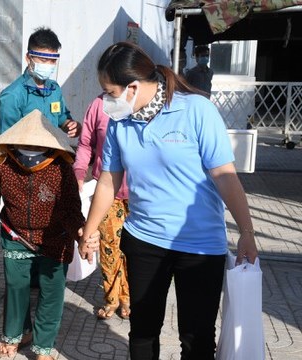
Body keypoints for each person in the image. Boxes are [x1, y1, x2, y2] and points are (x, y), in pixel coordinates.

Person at [79, 42, 258, 360]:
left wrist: (247, 231)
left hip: (201, 246)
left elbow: (225, 176)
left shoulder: (196, 110)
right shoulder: (121, 122)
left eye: (110, 92)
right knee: (143, 332)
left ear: (132, 87)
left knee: (197, 338)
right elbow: (108, 180)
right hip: (144, 241)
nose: (106, 100)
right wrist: (89, 230)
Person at [0, 109, 98, 360]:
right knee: (17, 287)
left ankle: (43, 347)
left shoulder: (61, 168)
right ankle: (18, 333)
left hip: (55, 239)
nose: (29, 150)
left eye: (36, 144)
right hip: (15, 235)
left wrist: (81, 232)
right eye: (24, 143)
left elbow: (72, 209)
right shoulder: (1, 166)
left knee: (52, 292)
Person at [73, 94, 131, 320]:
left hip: (140, 192)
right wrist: (79, 173)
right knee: (109, 248)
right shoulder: (97, 105)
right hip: (108, 191)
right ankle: (112, 298)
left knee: (133, 250)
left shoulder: (142, 104)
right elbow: (86, 144)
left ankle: (129, 296)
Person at [0, 27, 81, 137]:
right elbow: (5, 139)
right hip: (22, 153)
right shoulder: (12, 95)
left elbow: (61, 118)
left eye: (53, 60)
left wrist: (72, 126)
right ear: (28, 58)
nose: (49, 65)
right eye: (44, 60)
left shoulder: (54, 89)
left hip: (52, 153)